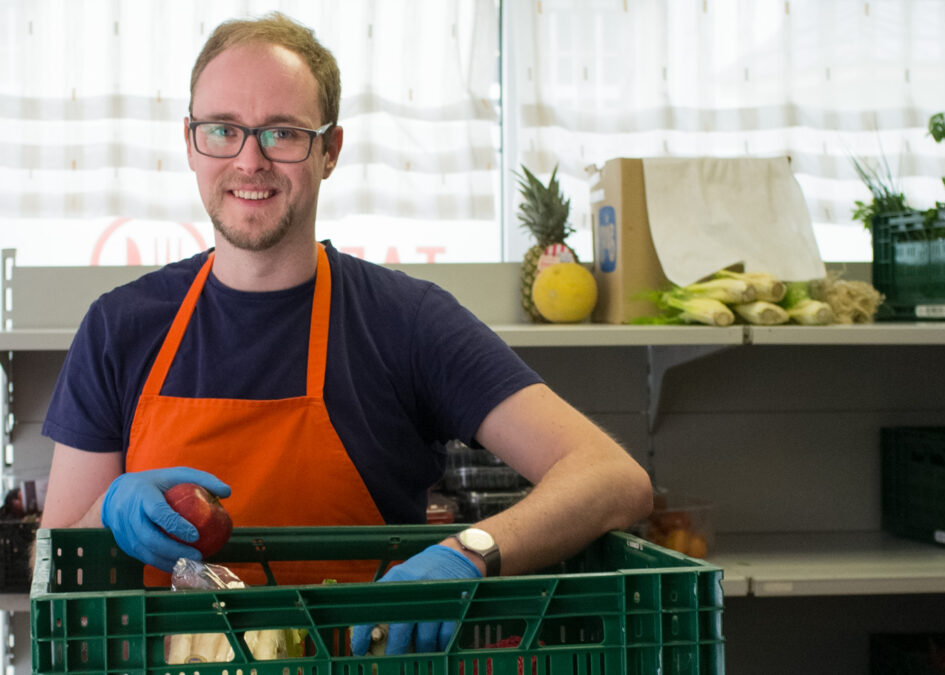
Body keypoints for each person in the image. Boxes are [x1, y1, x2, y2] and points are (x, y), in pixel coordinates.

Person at [37, 11, 653, 657]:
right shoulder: (121, 327)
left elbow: (611, 475)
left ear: (330, 151)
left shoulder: (406, 321)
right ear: (192, 143)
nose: (250, 160)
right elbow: (55, 580)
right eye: (223, 130)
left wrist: (470, 553)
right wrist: (107, 509)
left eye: (283, 133)